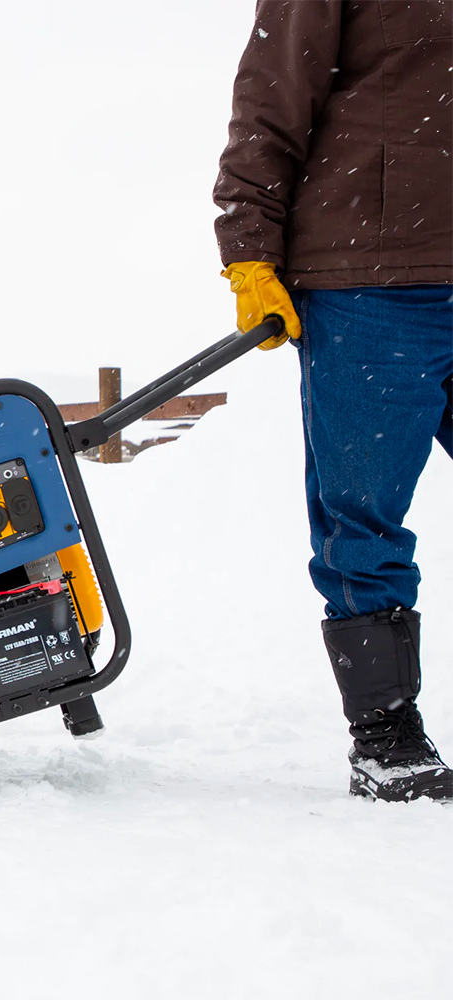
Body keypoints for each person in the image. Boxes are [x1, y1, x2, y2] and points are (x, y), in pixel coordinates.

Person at [214, 1, 453, 801]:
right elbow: (273, 98)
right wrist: (249, 251)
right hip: (373, 279)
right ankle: (386, 734)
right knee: (364, 511)